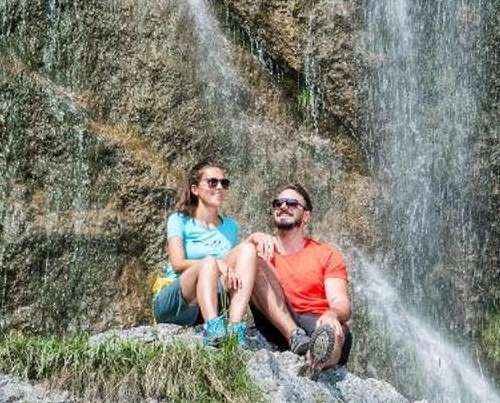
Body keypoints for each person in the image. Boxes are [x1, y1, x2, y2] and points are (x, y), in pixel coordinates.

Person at [150, 159, 260, 347]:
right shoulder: (179, 220)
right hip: (174, 303)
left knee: (248, 250)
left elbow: (233, 271)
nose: (219, 187)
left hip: (209, 303)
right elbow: (177, 263)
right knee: (209, 262)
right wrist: (217, 263)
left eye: (224, 183)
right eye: (212, 182)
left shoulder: (231, 227)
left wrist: (253, 240)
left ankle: (235, 328)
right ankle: (213, 330)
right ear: (195, 189)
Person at [249, 182, 352, 374]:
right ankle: (297, 339)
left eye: (292, 203)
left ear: (306, 216)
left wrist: (333, 314)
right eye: (278, 203)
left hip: (316, 321)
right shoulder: (260, 250)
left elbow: (341, 301)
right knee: (252, 262)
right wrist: (250, 240)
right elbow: (229, 272)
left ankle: (316, 358)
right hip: (277, 322)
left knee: (333, 331)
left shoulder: (327, 254)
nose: (283, 206)